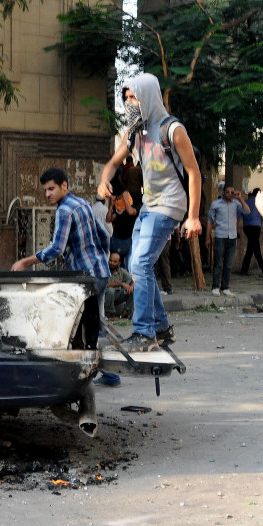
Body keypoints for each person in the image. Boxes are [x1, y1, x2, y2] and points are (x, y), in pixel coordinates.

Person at [97, 73, 202, 352]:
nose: (129, 103)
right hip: (149, 205)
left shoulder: (172, 130)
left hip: (170, 205)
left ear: (148, 97)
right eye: (126, 98)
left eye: (134, 97)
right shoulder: (135, 132)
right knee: (136, 265)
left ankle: (144, 332)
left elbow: (193, 172)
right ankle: (162, 327)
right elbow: (113, 163)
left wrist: (193, 216)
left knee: (141, 263)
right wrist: (104, 181)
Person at [12, 168, 110, 350]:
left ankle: (89, 359)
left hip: (87, 277)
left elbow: (57, 248)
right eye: (45, 190)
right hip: (101, 271)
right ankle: (92, 358)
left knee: (82, 323)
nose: (47, 194)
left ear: (64, 186)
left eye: (51, 189)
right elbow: (103, 234)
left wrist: (25, 261)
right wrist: (103, 258)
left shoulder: (64, 210)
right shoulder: (83, 203)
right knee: (91, 320)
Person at [207, 183, 250, 295]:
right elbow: (210, 221)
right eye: (228, 192)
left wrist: (240, 198)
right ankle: (215, 286)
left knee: (228, 264)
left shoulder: (236, 204)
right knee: (218, 263)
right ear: (223, 192)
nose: (230, 194)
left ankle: (225, 287)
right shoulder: (215, 204)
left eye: (232, 192)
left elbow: (247, 211)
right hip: (220, 236)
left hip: (232, 237)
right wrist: (207, 237)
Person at [237, 187, 262, 275]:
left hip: (247, 227)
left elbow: (238, 216)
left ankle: (244, 269)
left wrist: (236, 228)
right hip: (256, 227)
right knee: (256, 248)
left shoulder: (246, 202)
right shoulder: (260, 202)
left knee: (251, 247)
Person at [105, 252, 134, 319]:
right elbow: (106, 284)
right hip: (106, 295)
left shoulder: (121, 271)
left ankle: (126, 311)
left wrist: (131, 286)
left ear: (119, 263)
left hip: (117, 294)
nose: (112, 263)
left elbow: (133, 279)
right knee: (111, 290)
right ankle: (110, 314)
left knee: (131, 290)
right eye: (110, 260)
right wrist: (121, 283)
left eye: (115, 262)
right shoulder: (105, 269)